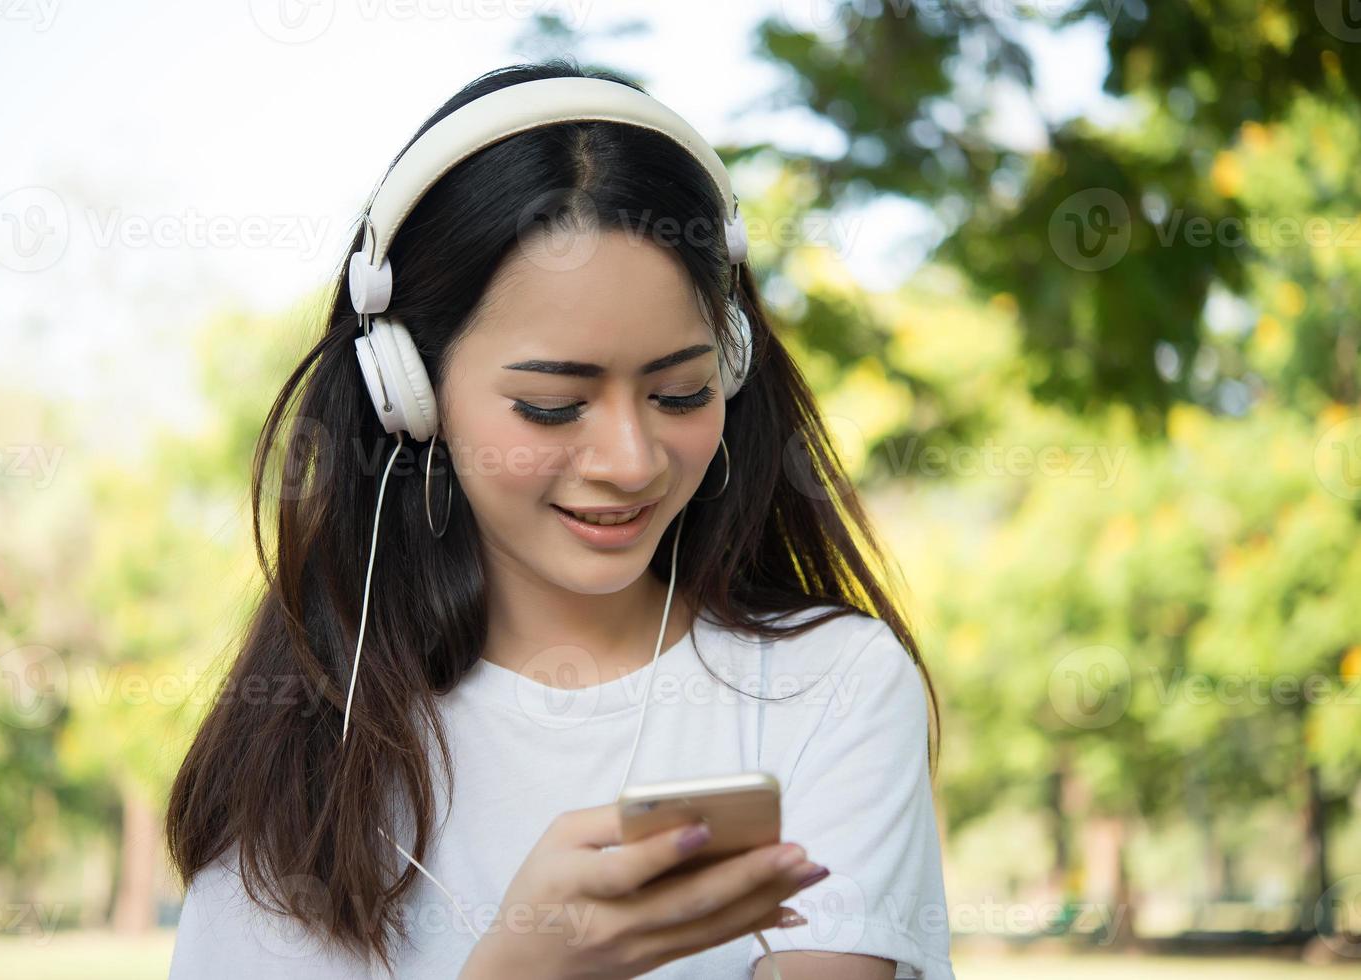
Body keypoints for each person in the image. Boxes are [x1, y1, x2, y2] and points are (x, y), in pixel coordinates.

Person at [164, 58, 956, 980]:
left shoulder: (830, 688)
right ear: (408, 394)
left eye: (680, 391)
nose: (630, 461)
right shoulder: (305, 748)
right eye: (551, 406)